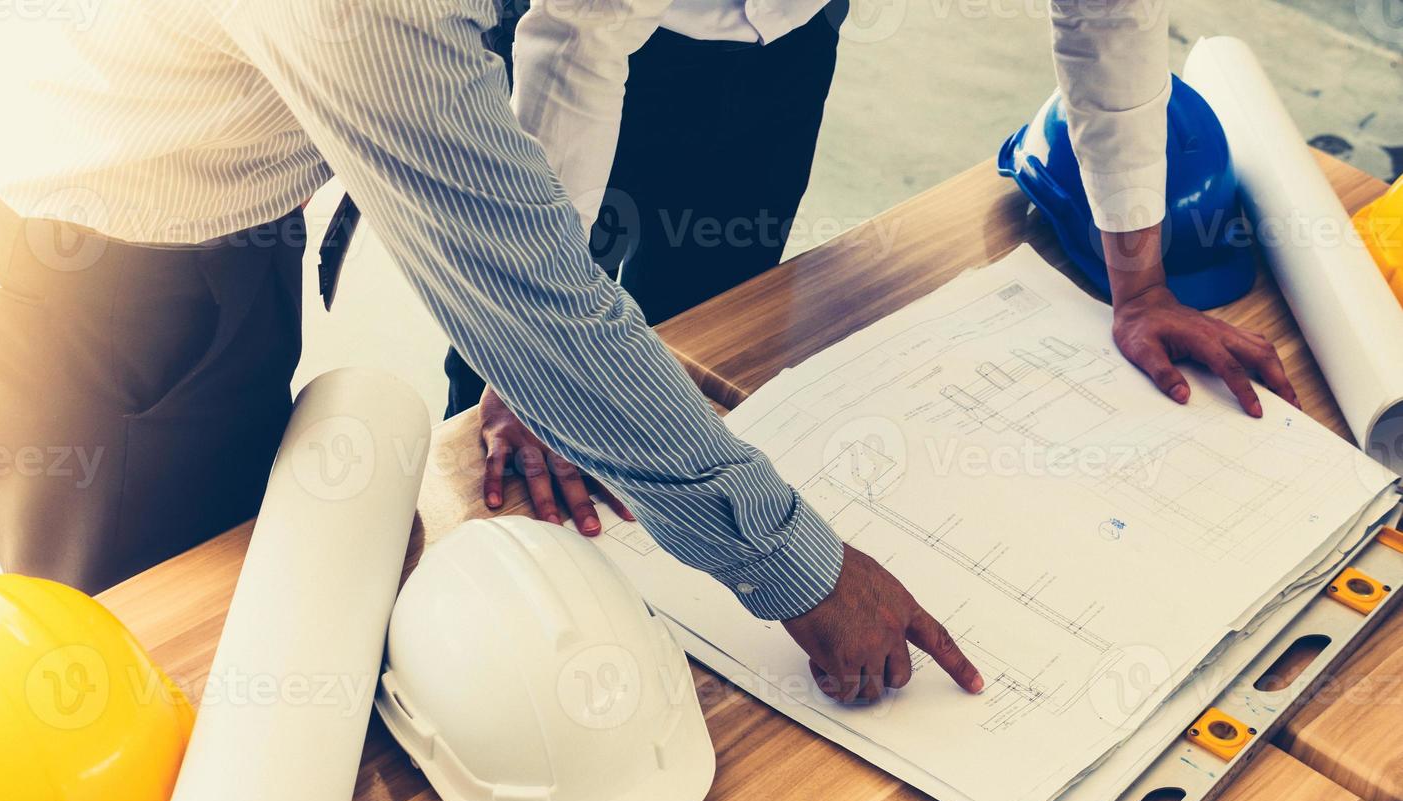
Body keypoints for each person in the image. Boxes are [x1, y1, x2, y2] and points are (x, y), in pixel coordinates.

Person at [0, 1, 976, 705]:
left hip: (215, 189)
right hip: (86, 254)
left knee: (260, 587)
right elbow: (528, 297)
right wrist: (800, 570)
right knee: (154, 660)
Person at [462, 0, 1298, 528]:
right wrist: (531, 365)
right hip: (577, 35)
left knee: (709, 325)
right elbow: (576, 45)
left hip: (782, 40)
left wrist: (1142, 287)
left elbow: (1108, 15)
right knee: (501, 401)